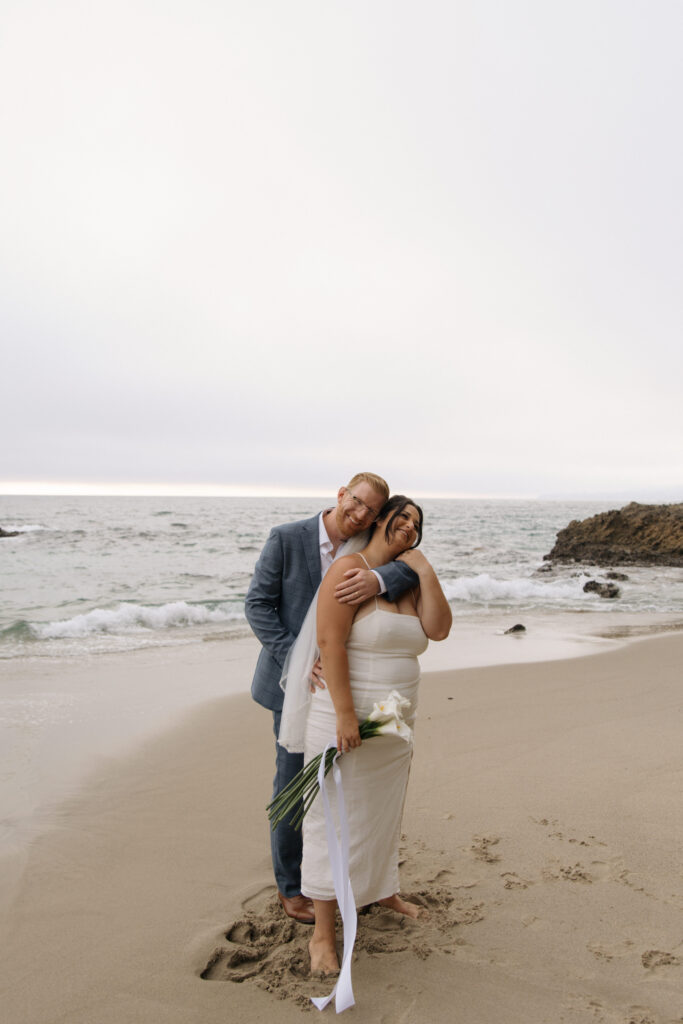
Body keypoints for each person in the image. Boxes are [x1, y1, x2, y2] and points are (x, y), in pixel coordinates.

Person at [278, 494, 452, 973]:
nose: (410, 528)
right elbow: (331, 643)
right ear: (380, 520)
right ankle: (322, 936)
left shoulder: (410, 579)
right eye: (402, 518)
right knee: (330, 821)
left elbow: (438, 630)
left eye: (417, 525)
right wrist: (346, 716)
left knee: (381, 811)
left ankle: (381, 891)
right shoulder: (348, 570)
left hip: (397, 715)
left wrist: (426, 568)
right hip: (344, 714)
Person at [245, 474, 420, 924]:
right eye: (356, 502)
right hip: (293, 682)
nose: (359, 515)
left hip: (348, 682)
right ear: (341, 494)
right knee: (293, 784)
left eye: (370, 510)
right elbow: (257, 605)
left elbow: (404, 565)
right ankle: (291, 887)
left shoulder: (367, 540)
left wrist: (378, 581)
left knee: (350, 788)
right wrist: (300, 660)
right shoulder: (286, 538)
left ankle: (367, 880)